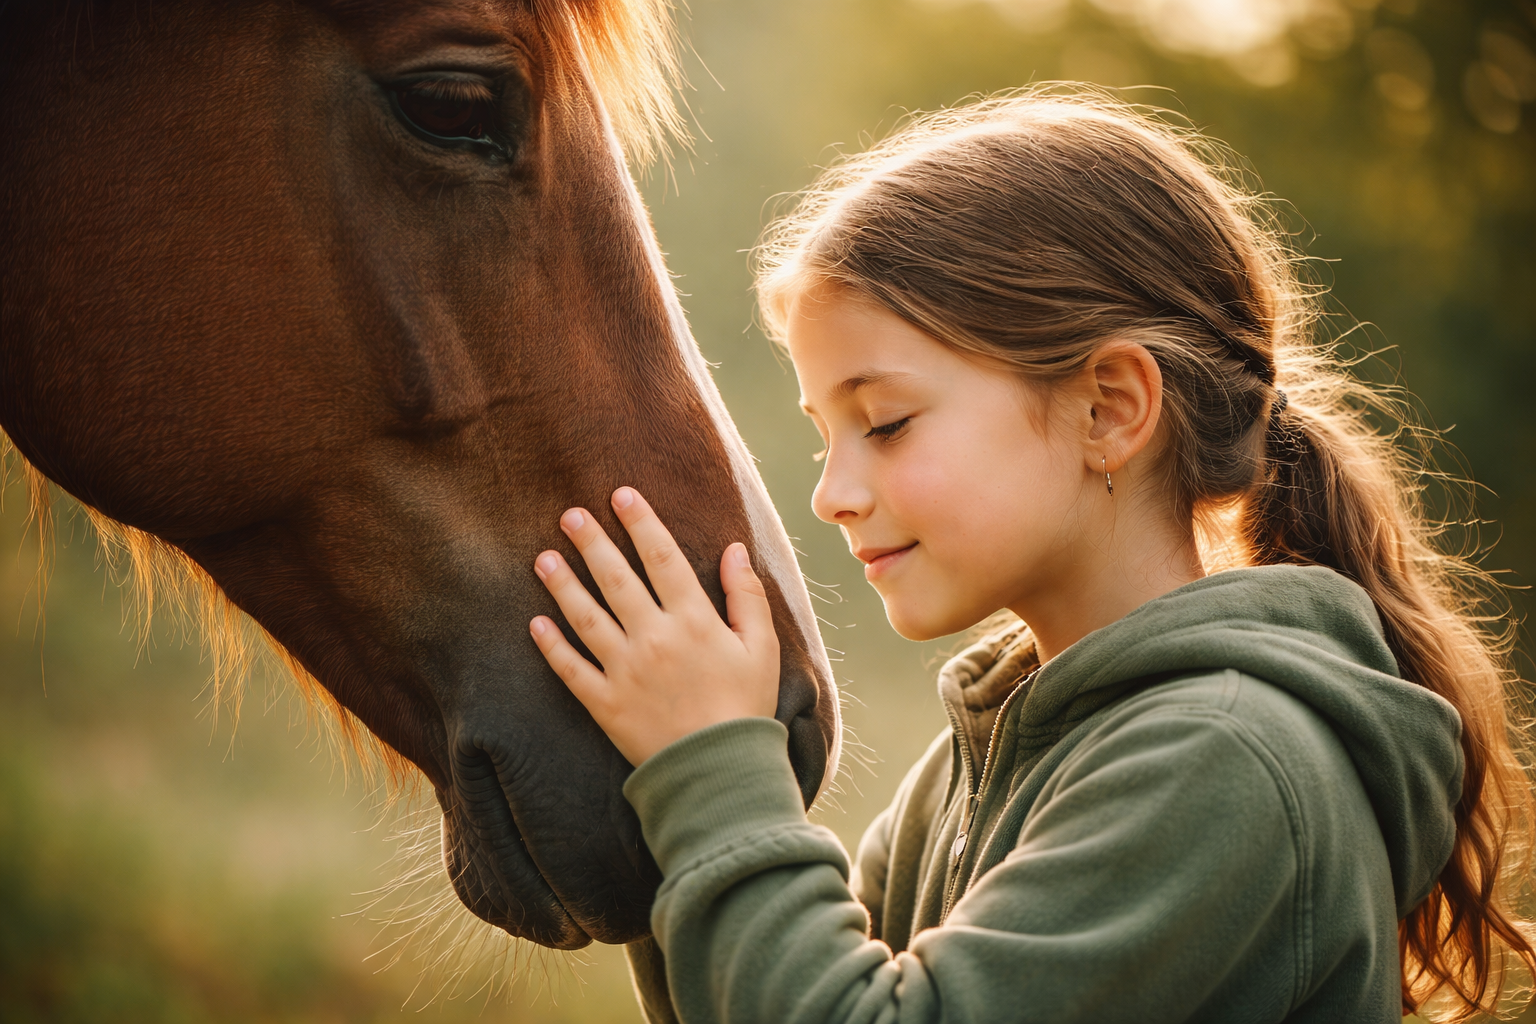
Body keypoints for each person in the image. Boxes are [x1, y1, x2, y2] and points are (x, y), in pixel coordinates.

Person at [524, 88, 1535, 1023]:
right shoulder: (985, 754)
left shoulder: (1226, 761)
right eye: (826, 433)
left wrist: (713, 769)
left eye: (885, 422)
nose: (833, 493)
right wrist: (664, 777)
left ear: (1110, 408)